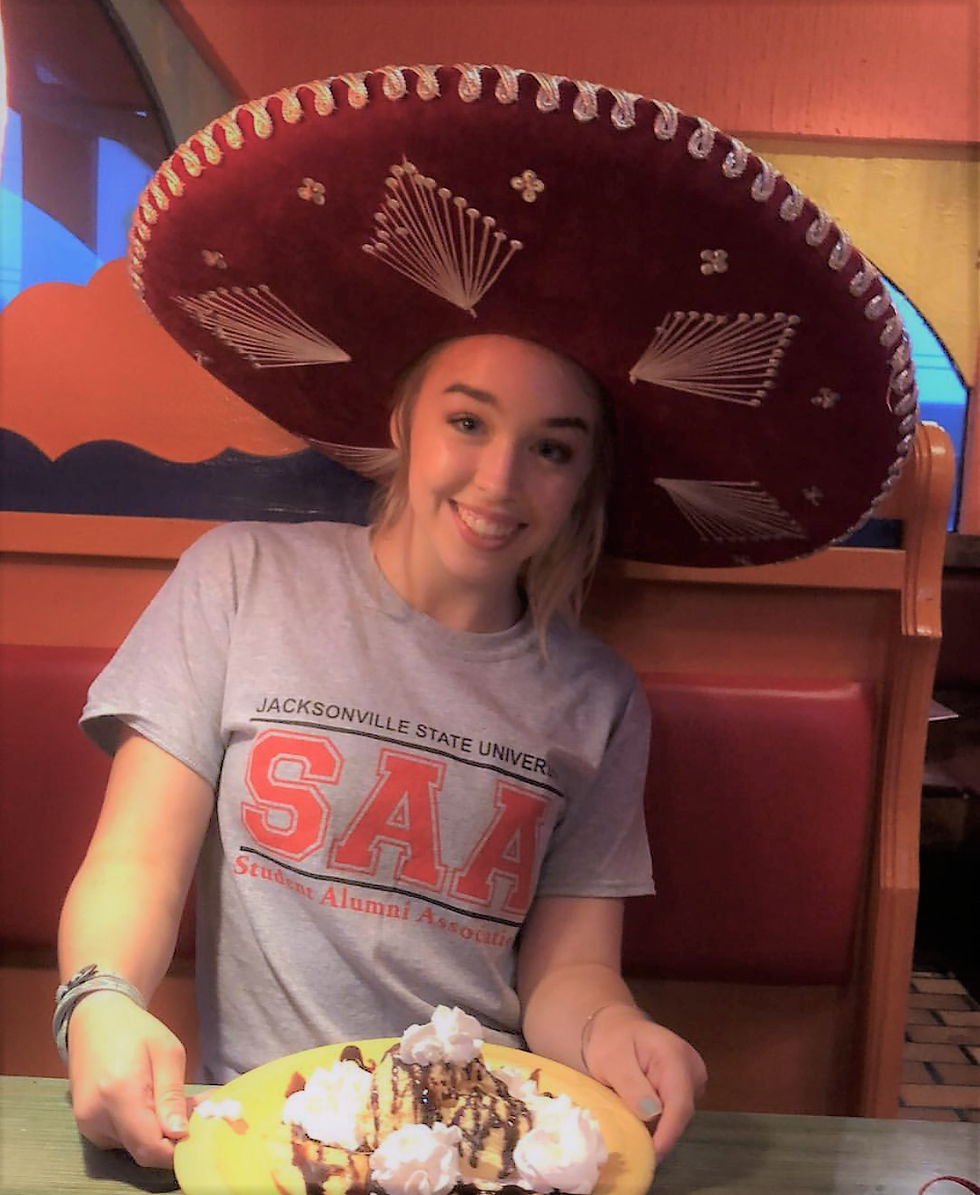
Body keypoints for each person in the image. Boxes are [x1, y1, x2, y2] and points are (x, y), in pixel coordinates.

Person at [56, 62, 914, 1178]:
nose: (500, 480)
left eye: (552, 447)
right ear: (403, 419)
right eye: (468, 420)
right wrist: (98, 999)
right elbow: (136, 857)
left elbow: (567, 973)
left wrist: (615, 1030)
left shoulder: (597, 699)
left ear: (584, 476)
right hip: (268, 1140)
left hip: (488, 1147)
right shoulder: (237, 581)